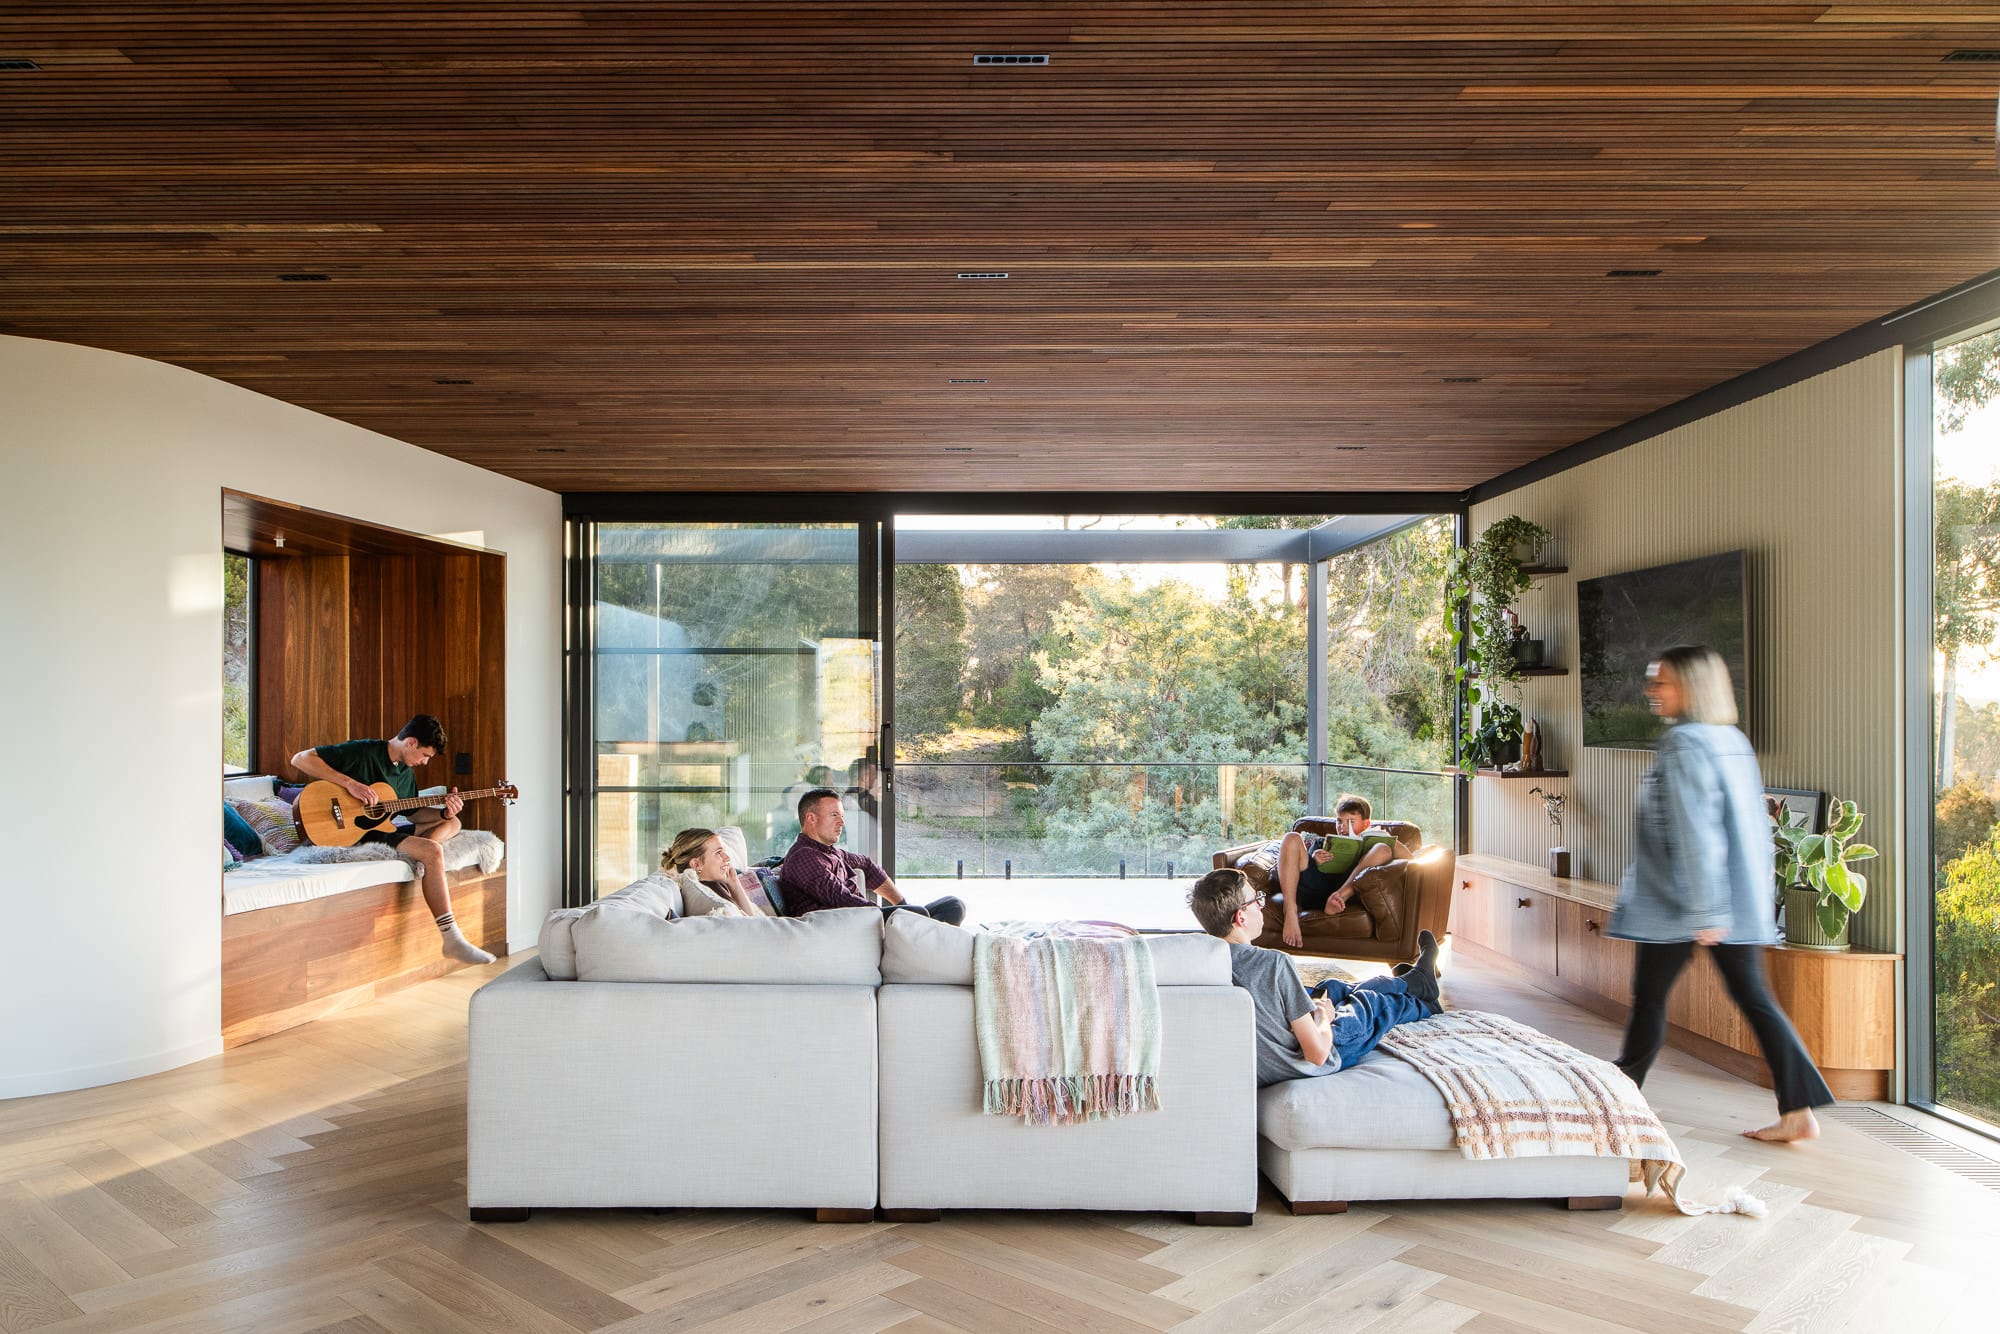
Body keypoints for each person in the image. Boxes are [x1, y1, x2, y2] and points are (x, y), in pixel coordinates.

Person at [1608, 644, 1834, 1143]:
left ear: (1689, 687)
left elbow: (1695, 831)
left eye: (1660, 681)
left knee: (1649, 1001)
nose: (1651, 690)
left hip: (1684, 904)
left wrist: (1705, 909)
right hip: (1732, 899)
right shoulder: (1730, 739)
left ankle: (1620, 1107)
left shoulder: (1685, 743)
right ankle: (1798, 1110)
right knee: (1754, 998)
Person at [1189, 865, 1440, 1085]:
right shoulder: (1274, 963)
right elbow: (1317, 1054)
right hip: (1310, 1059)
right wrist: (1323, 1017)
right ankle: (1424, 997)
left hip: (1272, 1051)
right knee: (1368, 1001)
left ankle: (1415, 980)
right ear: (1240, 916)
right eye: (1257, 901)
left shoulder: (1199, 964)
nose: (1261, 907)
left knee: (1331, 987)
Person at [290, 714, 494, 965]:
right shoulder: (363, 751)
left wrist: (444, 811)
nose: (425, 763)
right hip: (353, 832)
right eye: (425, 756)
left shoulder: (406, 774)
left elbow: (413, 813)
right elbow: (300, 758)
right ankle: (452, 938)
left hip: (380, 828)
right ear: (411, 743)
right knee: (432, 852)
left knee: (453, 822)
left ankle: (424, 859)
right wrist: (351, 784)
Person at [778, 788, 965, 925]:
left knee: (953, 904)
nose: (842, 822)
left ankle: (925, 943)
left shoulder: (829, 851)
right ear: (811, 818)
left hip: (865, 919)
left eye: (841, 816)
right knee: (922, 914)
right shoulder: (804, 857)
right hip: (846, 927)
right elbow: (842, 900)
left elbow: (867, 866)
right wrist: (890, 914)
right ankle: (927, 943)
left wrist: (901, 904)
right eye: (834, 815)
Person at [1272, 794, 1414, 949]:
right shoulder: (1322, 841)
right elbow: (1303, 864)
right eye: (1339, 821)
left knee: (1383, 849)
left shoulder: (1371, 846)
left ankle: (1338, 897)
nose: (1343, 827)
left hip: (1343, 894)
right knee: (1291, 837)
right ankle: (1290, 909)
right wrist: (1315, 858)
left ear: (1366, 824)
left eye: (1350, 822)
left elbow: (1411, 860)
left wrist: (1387, 838)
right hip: (1312, 888)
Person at [664, 827, 767, 915]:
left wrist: (734, 883)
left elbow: (751, 919)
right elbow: (752, 924)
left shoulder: (716, 883)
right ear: (696, 864)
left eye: (724, 852)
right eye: (718, 853)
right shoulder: (713, 891)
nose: (727, 858)